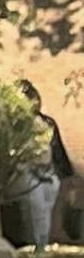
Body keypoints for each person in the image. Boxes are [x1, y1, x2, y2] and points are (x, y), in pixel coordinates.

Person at [14, 79, 81, 248]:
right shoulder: (16, 126)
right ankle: (38, 245)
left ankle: (47, 243)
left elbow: (57, 149)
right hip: (28, 175)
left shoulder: (47, 123)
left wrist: (68, 174)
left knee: (52, 210)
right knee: (35, 209)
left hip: (49, 173)